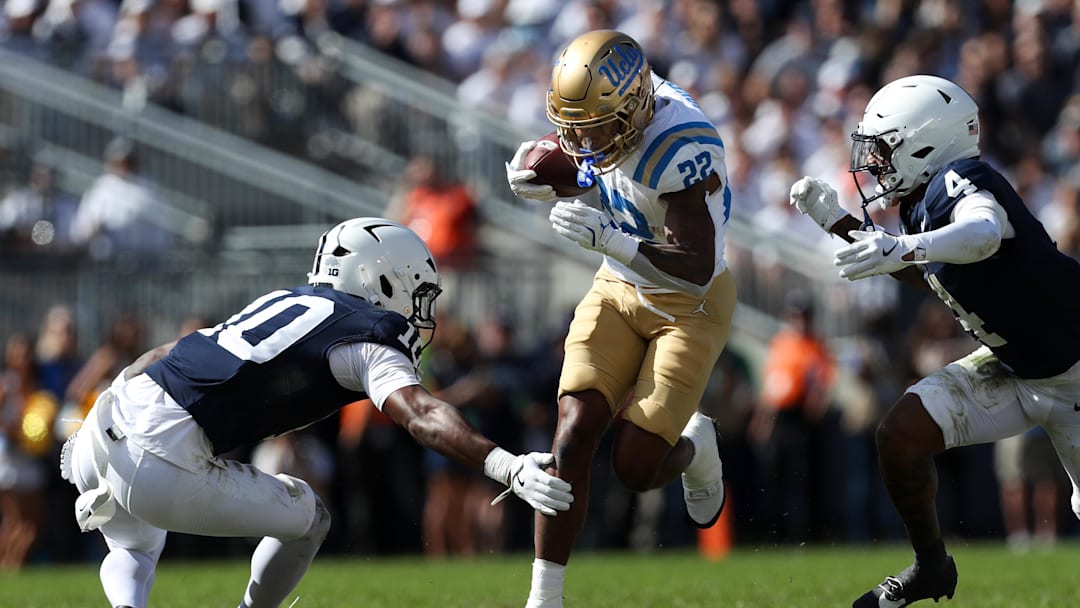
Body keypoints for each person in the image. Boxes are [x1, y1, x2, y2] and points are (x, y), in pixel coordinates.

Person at [58, 217, 573, 608]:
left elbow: (166, 353)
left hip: (108, 419)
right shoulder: (366, 333)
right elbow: (419, 414)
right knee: (308, 518)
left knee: (135, 547)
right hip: (164, 452)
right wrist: (505, 464)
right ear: (383, 280)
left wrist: (94, 428)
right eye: (417, 291)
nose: (422, 310)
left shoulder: (287, 299)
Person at [787, 74, 1080, 607]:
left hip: (1075, 372)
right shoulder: (919, 205)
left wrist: (903, 247)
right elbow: (930, 273)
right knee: (899, 435)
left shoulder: (961, 178)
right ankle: (931, 568)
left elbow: (984, 232)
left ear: (924, 141)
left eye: (882, 150)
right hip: (1015, 365)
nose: (872, 164)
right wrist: (837, 222)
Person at [505, 30, 734, 608]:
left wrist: (612, 237)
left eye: (594, 126)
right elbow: (589, 166)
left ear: (635, 108)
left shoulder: (679, 144)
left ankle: (695, 448)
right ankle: (545, 598)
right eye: (571, 123)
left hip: (689, 305)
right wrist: (545, 170)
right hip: (617, 287)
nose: (581, 138)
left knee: (635, 466)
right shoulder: (611, 114)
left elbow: (697, 268)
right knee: (573, 433)